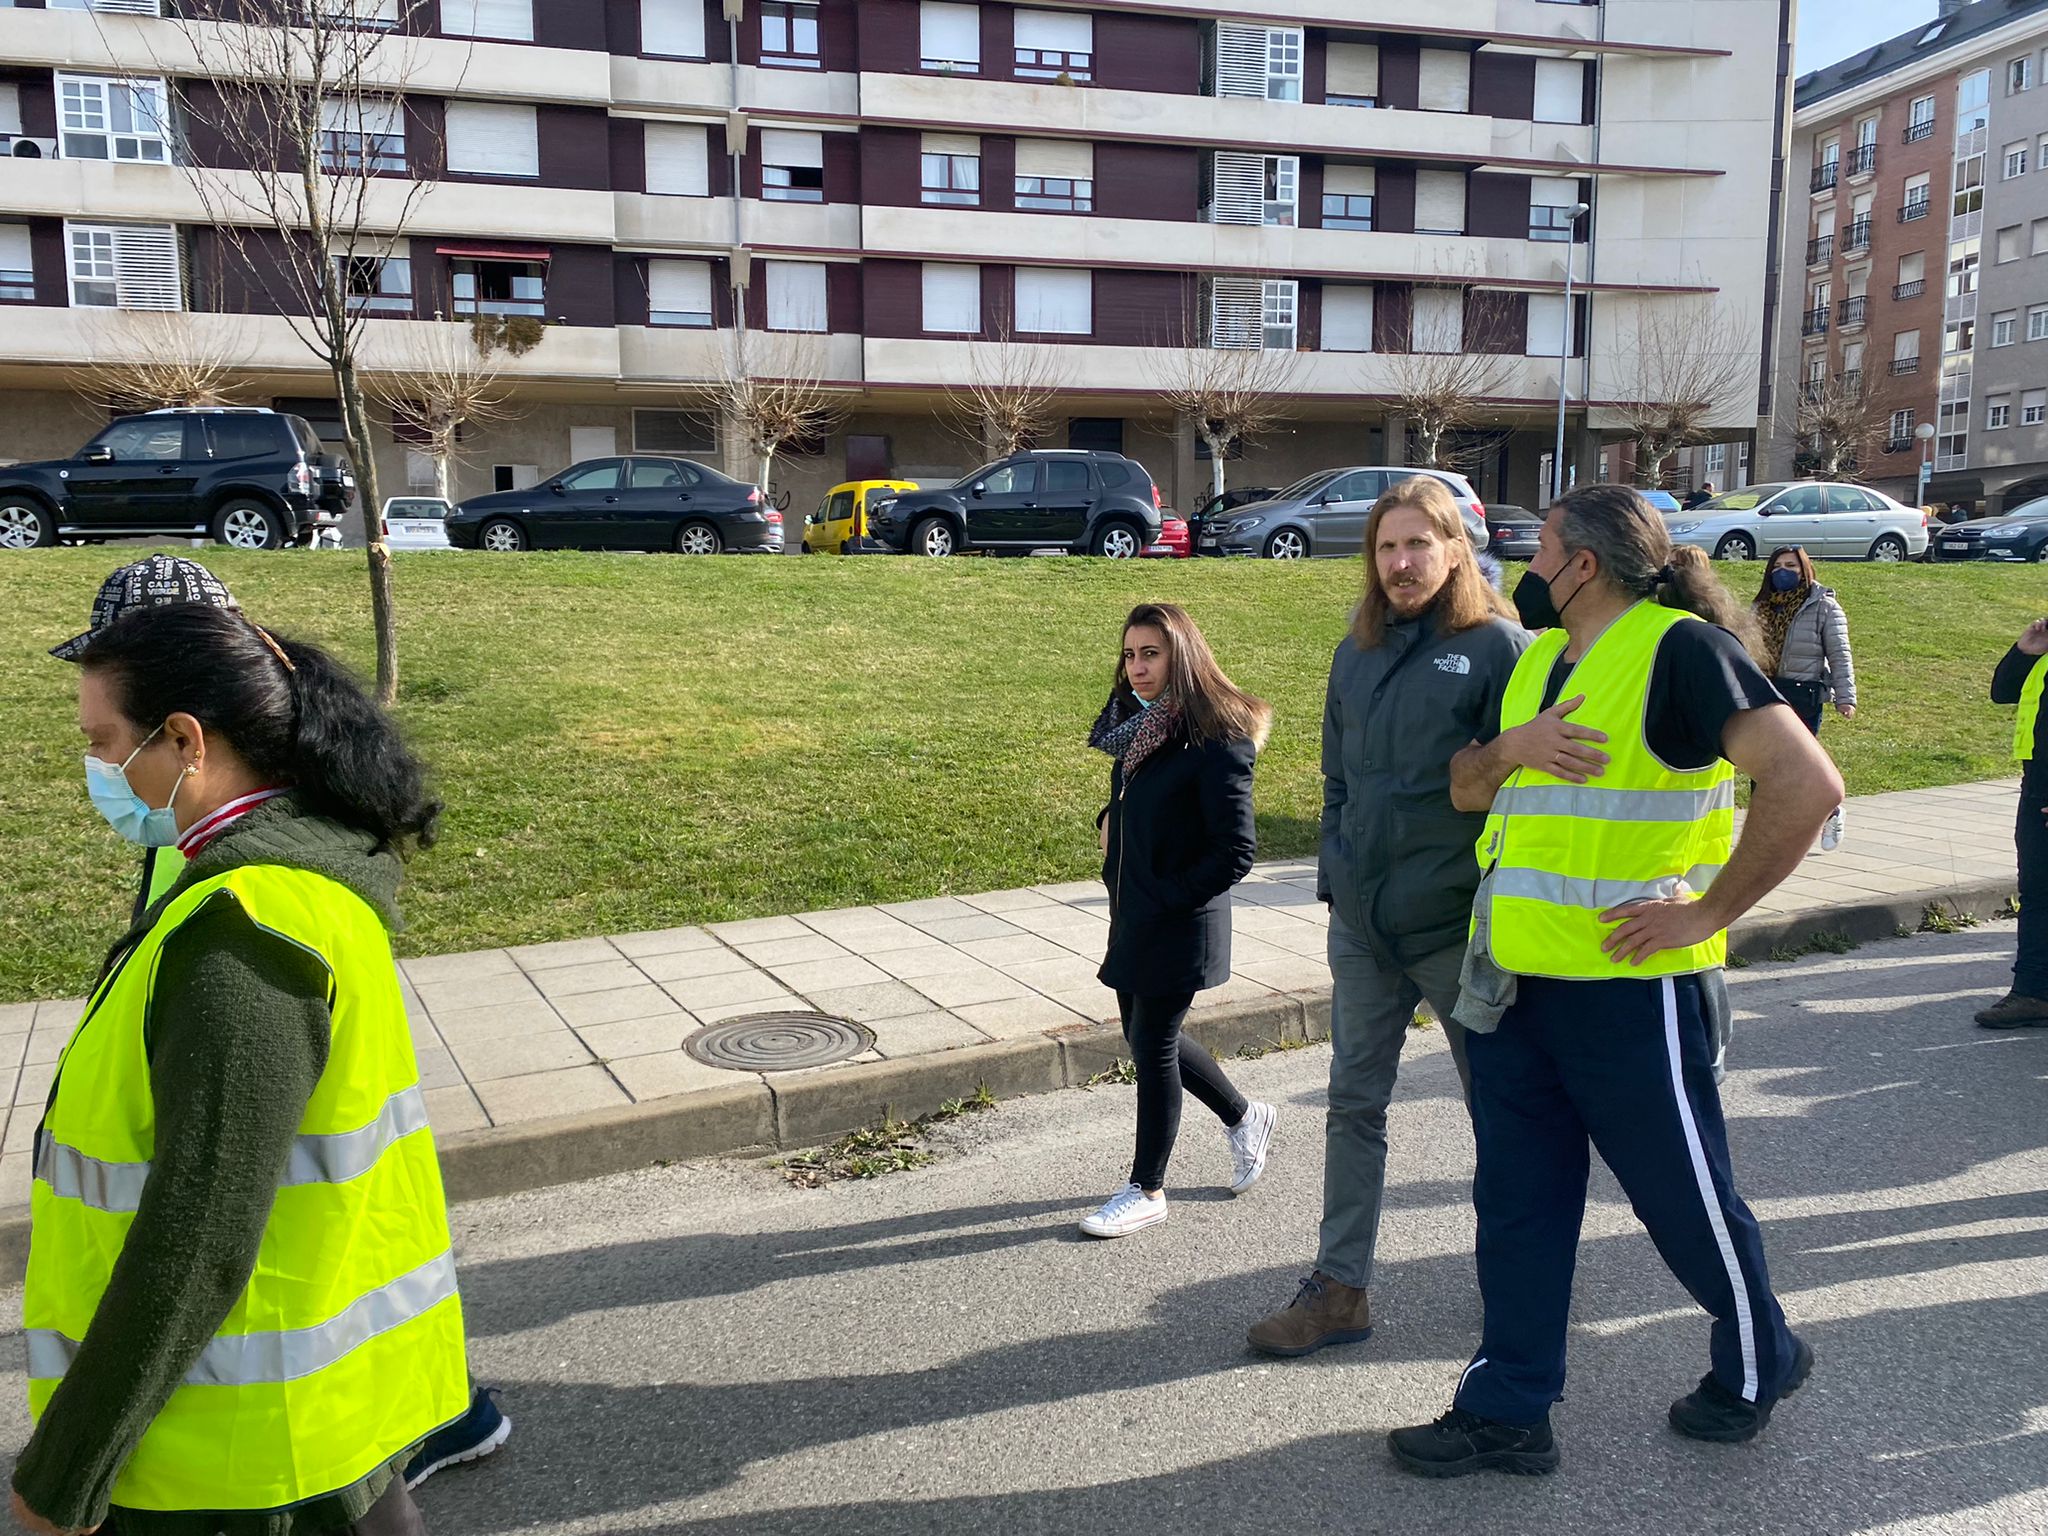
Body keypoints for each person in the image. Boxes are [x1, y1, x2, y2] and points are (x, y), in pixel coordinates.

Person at [1388, 485, 1843, 1478]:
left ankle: (1759, 1357)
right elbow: (1466, 788)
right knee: (1516, 1202)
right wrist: (1510, 750)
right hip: (1514, 988)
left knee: (1682, 1201)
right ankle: (1507, 1409)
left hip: (1630, 993)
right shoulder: (1538, 663)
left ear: (1580, 564)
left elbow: (1807, 784)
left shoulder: (1678, 650)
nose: (1526, 565)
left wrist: (1707, 912)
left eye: (1539, 547)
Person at [47, 557, 512, 1495]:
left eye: (104, 744)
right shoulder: (299, 864)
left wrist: (65, 1469)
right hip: (317, 1414)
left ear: (184, 736)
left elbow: (202, 1231)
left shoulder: (245, 936)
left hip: (237, 1456)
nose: (96, 770)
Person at [1247, 476, 1527, 1357]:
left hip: (1458, 932)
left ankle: (1521, 1290)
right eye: (1386, 547)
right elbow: (1337, 782)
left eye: (1418, 544)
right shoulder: (1354, 653)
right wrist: (1335, 871)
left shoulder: (1499, 650)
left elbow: (1523, 798)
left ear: (1455, 550)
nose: (1401, 562)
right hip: (1364, 929)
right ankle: (1339, 1292)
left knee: (1505, 1116)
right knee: (1352, 1106)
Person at [1081, 603, 1276, 1239]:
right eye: (1130, 655)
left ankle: (1147, 1188)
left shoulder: (1217, 740)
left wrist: (1166, 893)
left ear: (1182, 657)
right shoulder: (1142, 726)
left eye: (1151, 654)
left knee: (1154, 1046)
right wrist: (1109, 827)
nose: (1136, 668)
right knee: (1144, 1039)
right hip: (1133, 907)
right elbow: (1134, 805)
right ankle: (1245, 1116)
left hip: (1177, 917)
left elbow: (1236, 852)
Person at [1753, 545, 1856, 850]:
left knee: (1798, 767)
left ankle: (1830, 812)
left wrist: (1845, 697)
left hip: (1803, 695)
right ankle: (1766, 836)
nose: (1783, 571)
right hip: (1765, 692)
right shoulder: (1761, 606)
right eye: (1778, 566)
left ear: (1805, 570)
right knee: (1762, 767)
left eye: (1791, 566)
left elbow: (1840, 654)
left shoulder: (1823, 606)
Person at [1978, 618, 2048, 1028]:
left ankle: (2032, 992)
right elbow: (2002, 693)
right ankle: (2034, 992)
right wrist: (2024, 651)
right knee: (2037, 895)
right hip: (2036, 786)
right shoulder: (2043, 650)